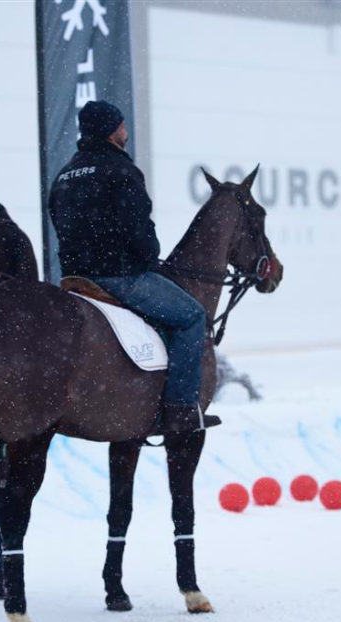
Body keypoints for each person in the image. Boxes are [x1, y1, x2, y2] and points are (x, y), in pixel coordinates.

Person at [47, 100, 219, 435]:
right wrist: (148, 258)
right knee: (192, 317)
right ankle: (181, 409)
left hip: (72, 278)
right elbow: (138, 228)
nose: (126, 131)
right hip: (119, 276)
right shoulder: (121, 169)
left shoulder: (65, 173)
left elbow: (60, 223)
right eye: (122, 125)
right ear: (113, 131)